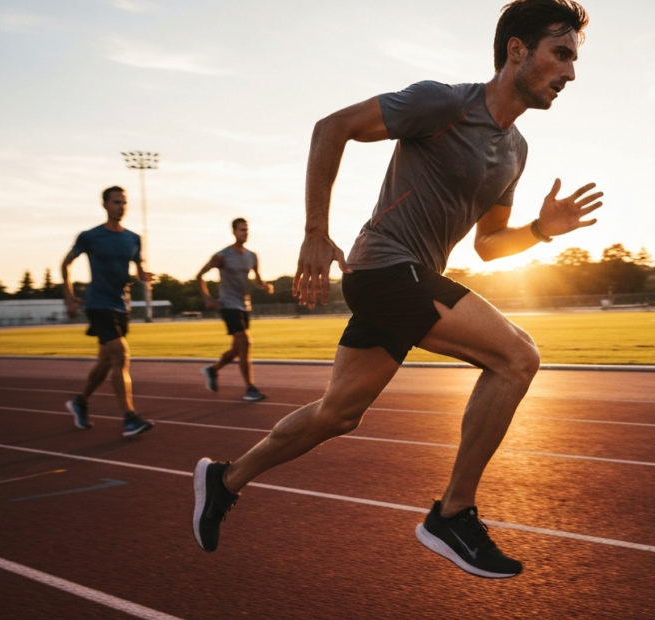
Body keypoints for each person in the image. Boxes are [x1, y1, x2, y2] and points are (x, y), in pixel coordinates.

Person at [193, 0, 600, 579]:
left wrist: (539, 231)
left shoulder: (516, 151)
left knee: (338, 414)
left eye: (574, 60)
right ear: (517, 51)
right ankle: (452, 514)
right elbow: (333, 127)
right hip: (384, 267)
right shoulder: (444, 103)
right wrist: (315, 231)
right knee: (517, 357)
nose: (570, 73)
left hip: (408, 282)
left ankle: (224, 479)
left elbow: (488, 245)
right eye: (560, 54)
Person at [61, 186, 156, 437]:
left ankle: (81, 401)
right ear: (104, 205)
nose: (121, 206)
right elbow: (66, 264)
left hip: (121, 305)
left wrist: (144, 276)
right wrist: (69, 297)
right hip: (98, 303)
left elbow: (138, 268)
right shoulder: (89, 236)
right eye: (116, 202)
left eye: (124, 202)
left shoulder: (133, 238)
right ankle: (130, 417)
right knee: (120, 355)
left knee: (105, 361)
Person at [196, 218, 274, 401]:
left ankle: (212, 369)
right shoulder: (222, 256)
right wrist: (207, 297)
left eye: (246, 230)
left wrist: (265, 286)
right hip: (228, 305)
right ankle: (250, 388)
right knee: (246, 343)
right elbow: (199, 276)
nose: (244, 233)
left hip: (244, 305)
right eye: (241, 230)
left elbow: (257, 279)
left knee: (237, 349)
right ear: (233, 232)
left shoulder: (252, 256)